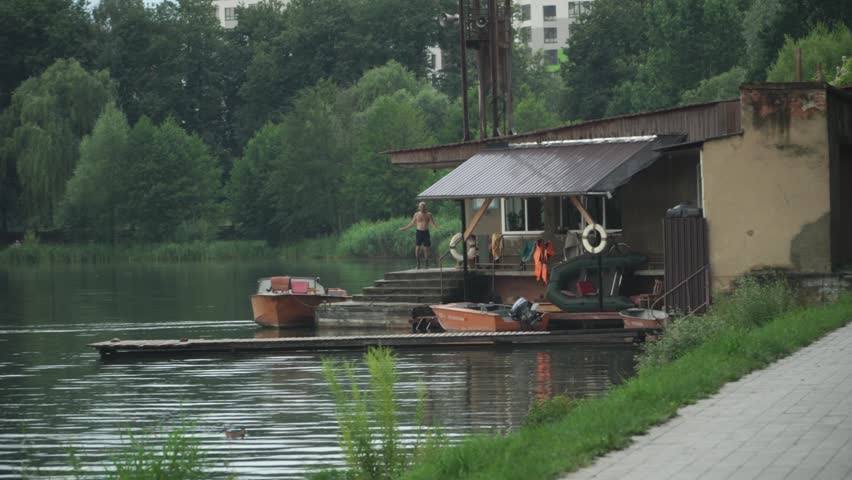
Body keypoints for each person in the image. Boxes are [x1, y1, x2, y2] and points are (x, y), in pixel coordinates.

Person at [399, 202, 440, 269]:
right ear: (419, 207)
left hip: (426, 232)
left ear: (425, 207)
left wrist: (437, 229)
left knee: (426, 249)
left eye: (423, 207)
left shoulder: (429, 214)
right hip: (419, 232)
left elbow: (433, 223)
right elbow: (412, 223)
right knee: (417, 248)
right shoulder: (416, 214)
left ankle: (426, 264)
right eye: (420, 207)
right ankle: (418, 264)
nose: (422, 208)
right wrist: (404, 228)